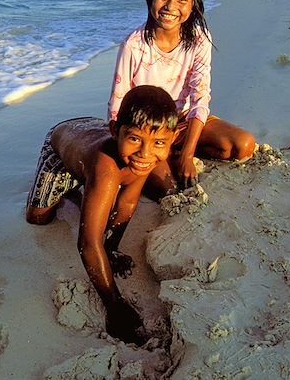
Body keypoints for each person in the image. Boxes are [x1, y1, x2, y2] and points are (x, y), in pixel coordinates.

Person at [26, 85, 179, 344]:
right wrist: (114, 306)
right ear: (115, 131)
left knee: (121, 182)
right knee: (38, 218)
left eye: (158, 143)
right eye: (134, 139)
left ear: (172, 140)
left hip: (93, 135)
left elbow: (128, 203)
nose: (145, 153)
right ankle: (77, 184)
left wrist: (111, 250)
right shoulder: (105, 168)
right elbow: (87, 244)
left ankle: (89, 187)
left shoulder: (141, 156)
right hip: (65, 142)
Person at [108, 0, 255, 197]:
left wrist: (187, 156)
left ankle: (175, 151)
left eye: (182, 0)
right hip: (149, 129)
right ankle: (163, 155)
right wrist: (126, 145)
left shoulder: (199, 39)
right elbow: (118, 101)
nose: (170, 7)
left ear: (193, 5)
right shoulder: (134, 44)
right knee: (169, 189)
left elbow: (200, 98)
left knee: (243, 145)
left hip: (183, 121)